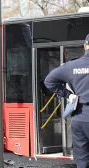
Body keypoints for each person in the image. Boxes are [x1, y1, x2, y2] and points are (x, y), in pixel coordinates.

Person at [44, 34, 89, 168]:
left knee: (82, 160)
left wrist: (67, 94)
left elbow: (49, 81)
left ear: (85, 46)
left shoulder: (72, 66)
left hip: (80, 119)